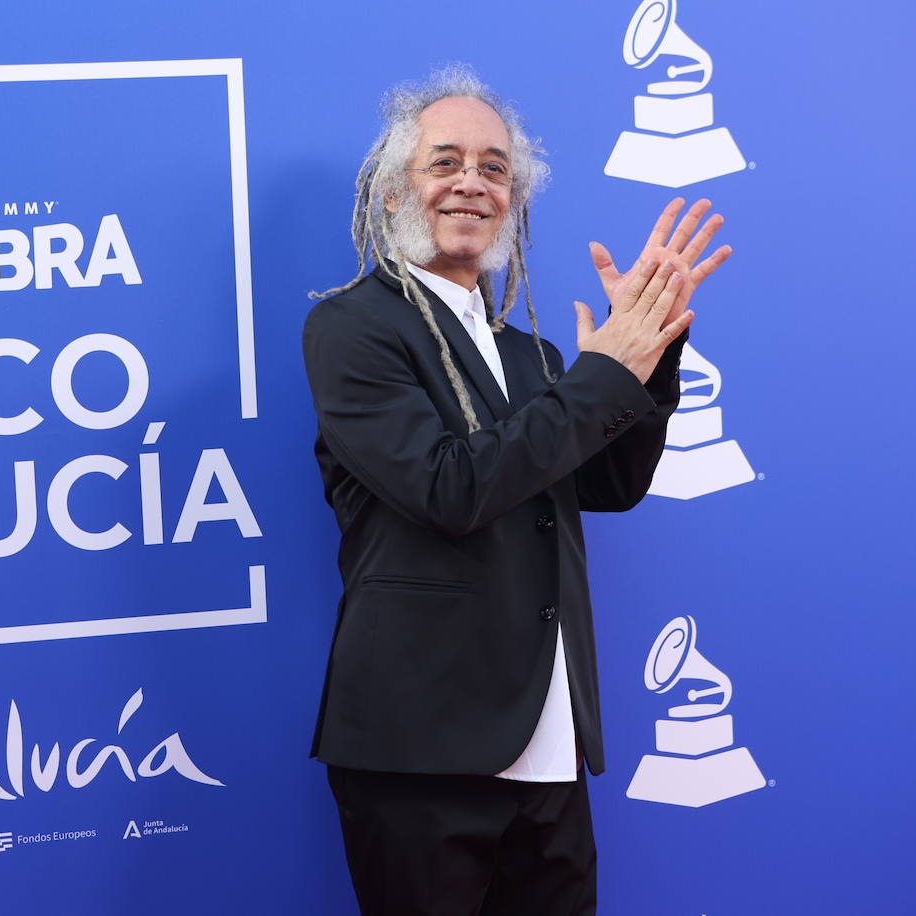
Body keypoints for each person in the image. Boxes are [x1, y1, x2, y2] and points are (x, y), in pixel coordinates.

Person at [301, 66, 731, 915]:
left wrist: (650, 358)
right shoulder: (350, 326)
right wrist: (604, 373)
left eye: (495, 168)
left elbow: (606, 486)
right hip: (420, 749)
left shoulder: (534, 356)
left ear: (514, 201)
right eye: (445, 161)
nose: (472, 181)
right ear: (392, 193)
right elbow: (449, 486)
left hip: (549, 745)